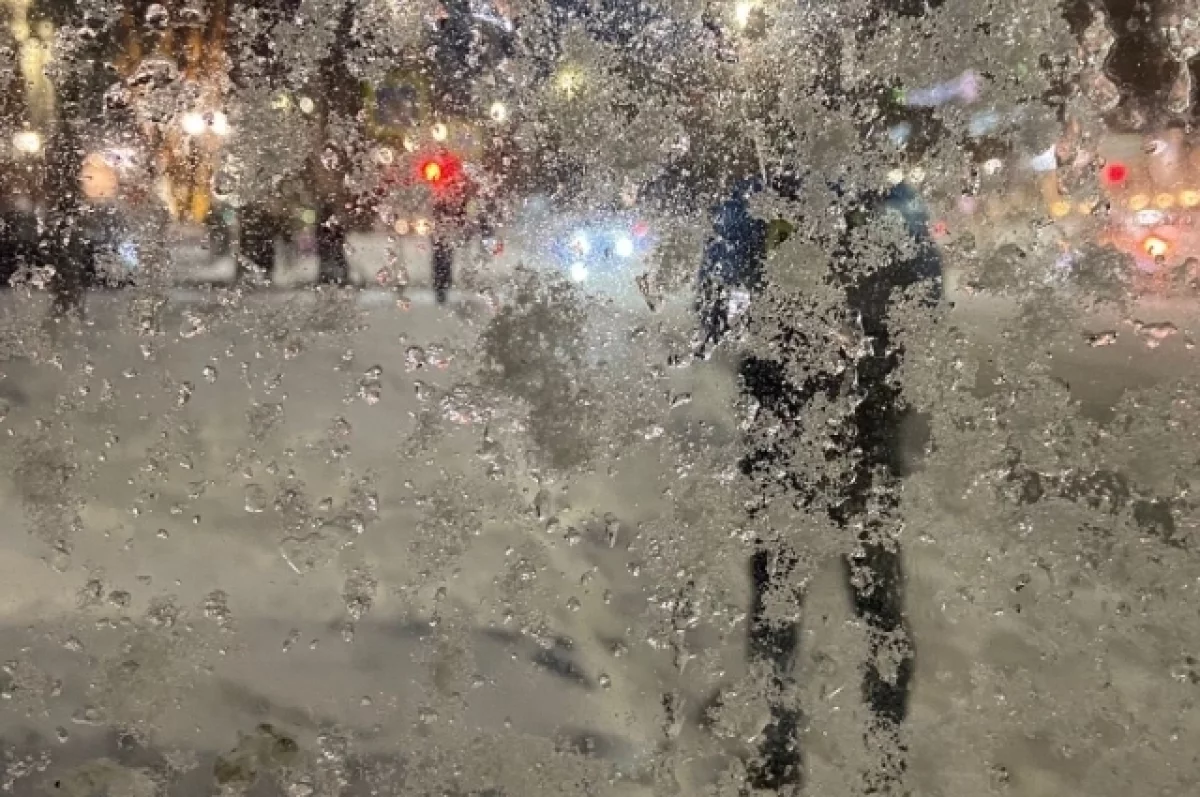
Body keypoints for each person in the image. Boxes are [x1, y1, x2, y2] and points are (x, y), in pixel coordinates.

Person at [695, 167, 942, 791]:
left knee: (778, 595)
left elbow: (713, 309)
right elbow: (928, 299)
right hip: (870, 422)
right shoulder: (891, 196)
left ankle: (778, 752)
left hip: (781, 419)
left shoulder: (755, 196)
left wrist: (767, 335)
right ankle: (886, 755)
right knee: (878, 596)